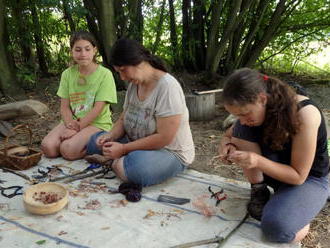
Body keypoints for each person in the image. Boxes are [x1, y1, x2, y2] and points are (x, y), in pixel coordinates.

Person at [218, 68, 329, 243]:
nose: (242, 119)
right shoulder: (251, 113)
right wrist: (227, 144)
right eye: (237, 115)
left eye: (245, 113)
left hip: (309, 178)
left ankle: (303, 214)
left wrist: (256, 161)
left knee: (277, 229)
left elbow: (299, 176)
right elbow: (229, 134)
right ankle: (259, 190)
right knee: (241, 129)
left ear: (262, 98)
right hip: (276, 172)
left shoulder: (305, 113)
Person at [86, 38, 195, 187]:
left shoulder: (167, 87)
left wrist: (123, 148)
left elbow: (164, 138)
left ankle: (120, 161)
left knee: (138, 167)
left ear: (138, 61)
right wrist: (110, 135)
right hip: (136, 144)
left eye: (123, 70)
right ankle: (119, 161)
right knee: (94, 142)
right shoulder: (134, 85)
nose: (123, 77)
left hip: (169, 151)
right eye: (119, 73)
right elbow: (123, 120)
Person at [41, 31, 117, 160]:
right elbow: (64, 107)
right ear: (71, 51)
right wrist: (70, 125)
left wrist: (77, 129)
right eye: (78, 50)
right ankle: (72, 143)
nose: (83, 54)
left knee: (68, 150)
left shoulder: (105, 74)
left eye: (87, 49)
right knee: (48, 147)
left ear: (95, 50)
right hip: (72, 121)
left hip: (96, 123)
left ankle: (89, 148)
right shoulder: (67, 74)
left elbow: (98, 109)